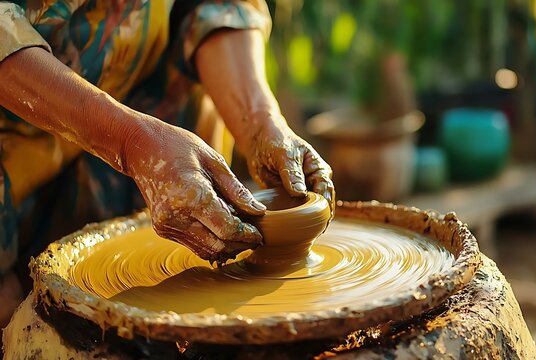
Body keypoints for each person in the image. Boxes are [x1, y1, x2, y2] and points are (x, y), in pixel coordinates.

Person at [0, 0, 334, 327]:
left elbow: (215, 5)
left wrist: (260, 121)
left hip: (154, 114)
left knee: (118, 298)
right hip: (15, 136)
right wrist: (132, 141)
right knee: (17, 314)